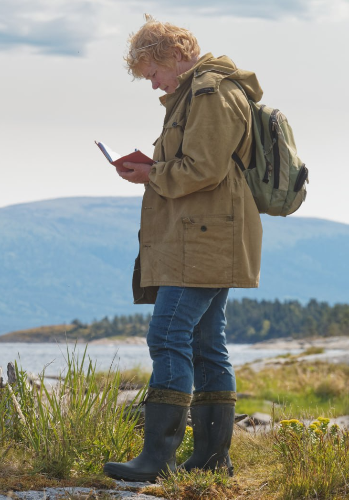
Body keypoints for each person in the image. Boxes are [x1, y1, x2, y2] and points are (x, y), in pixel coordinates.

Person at [103, 15, 263, 482]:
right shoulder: (196, 94)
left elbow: (204, 169)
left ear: (174, 54)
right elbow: (202, 165)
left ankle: (158, 459)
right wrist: (152, 166)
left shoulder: (211, 93)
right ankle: (212, 460)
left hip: (205, 240)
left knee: (167, 336)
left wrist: (151, 173)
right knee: (206, 343)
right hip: (206, 237)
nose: (152, 83)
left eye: (153, 72)